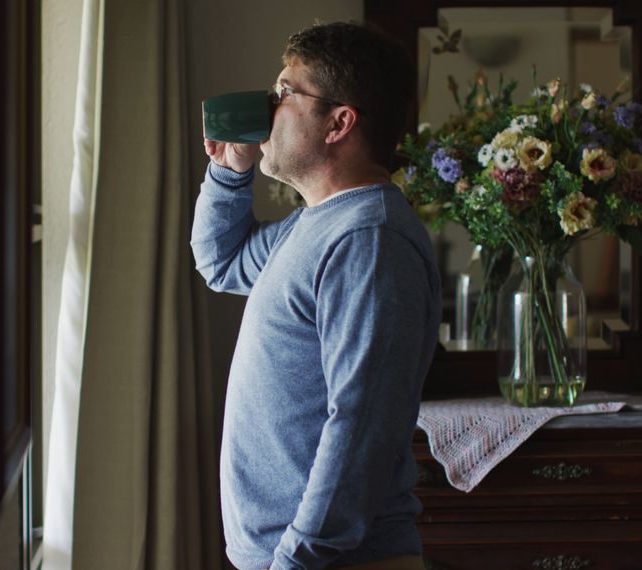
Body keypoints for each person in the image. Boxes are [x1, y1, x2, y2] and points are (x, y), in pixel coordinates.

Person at [191, 22, 441, 570]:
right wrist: (230, 172)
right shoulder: (316, 225)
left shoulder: (369, 240)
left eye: (284, 92)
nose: (269, 106)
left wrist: (296, 561)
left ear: (339, 122)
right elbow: (221, 263)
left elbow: (361, 427)